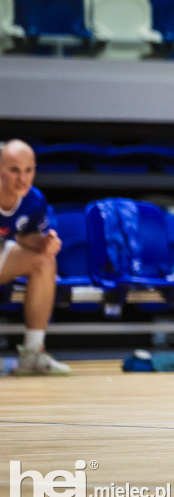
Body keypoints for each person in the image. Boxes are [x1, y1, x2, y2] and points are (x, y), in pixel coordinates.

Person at [0, 139, 69, 375]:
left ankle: (32, 354)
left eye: (28, 170)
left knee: (44, 261)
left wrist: (44, 244)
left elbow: (25, 237)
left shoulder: (34, 200)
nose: (23, 179)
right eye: (14, 170)